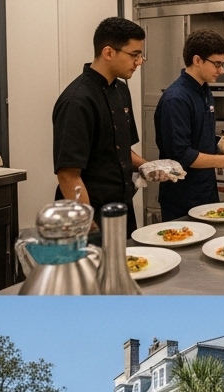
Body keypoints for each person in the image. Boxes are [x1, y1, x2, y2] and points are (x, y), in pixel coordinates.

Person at [51, 16, 149, 239]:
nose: (140, 61)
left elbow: (120, 151)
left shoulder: (121, 91)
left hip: (121, 208)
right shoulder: (77, 101)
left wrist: (148, 167)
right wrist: (88, 224)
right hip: (88, 214)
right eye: (134, 54)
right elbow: (68, 175)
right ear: (108, 52)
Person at [155, 29, 224, 220]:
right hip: (182, 197)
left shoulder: (204, 90)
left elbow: (200, 138)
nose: (222, 71)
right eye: (217, 64)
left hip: (206, 191)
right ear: (197, 60)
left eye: (223, 64)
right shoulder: (176, 99)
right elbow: (181, 154)